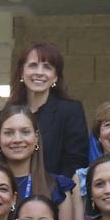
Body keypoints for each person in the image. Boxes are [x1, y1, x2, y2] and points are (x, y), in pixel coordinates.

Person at [11, 41, 91, 179]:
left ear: (55, 76)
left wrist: (53, 189)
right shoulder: (5, 115)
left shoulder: (70, 111)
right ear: (21, 72)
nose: (39, 72)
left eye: (47, 67)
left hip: (55, 190)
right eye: (33, 65)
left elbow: (76, 161)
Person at [0, 104, 68, 209]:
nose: (17, 139)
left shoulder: (58, 186)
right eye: (9, 133)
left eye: (25, 132)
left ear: (36, 138)